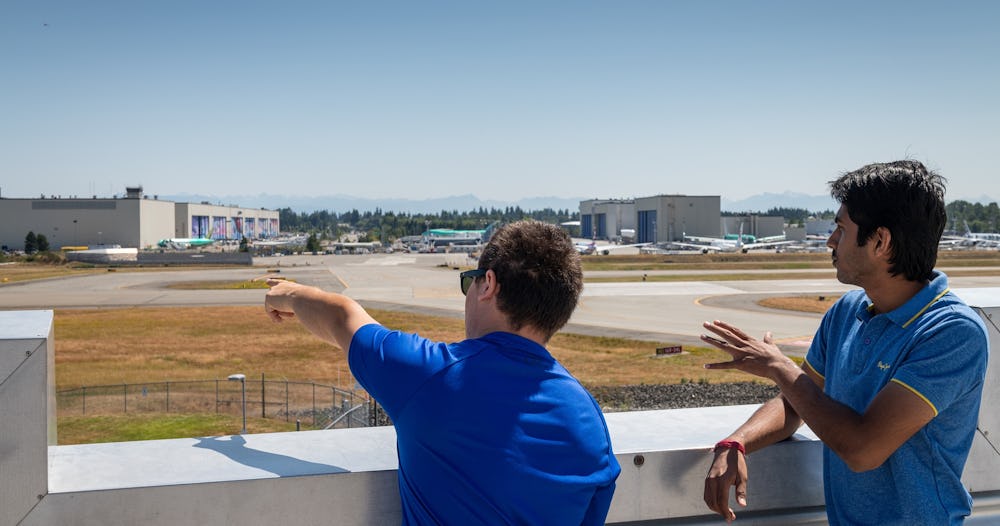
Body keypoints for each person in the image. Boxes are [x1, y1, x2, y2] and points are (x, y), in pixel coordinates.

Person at [265, 219, 620, 525]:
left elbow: (342, 317)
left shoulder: (432, 375)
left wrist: (291, 293)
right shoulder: (589, 420)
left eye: (470, 281)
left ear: (489, 285)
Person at [699, 160, 989, 525]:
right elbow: (797, 404)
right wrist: (736, 443)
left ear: (880, 241)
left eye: (840, 228)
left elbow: (863, 449)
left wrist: (778, 366)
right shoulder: (847, 310)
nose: (830, 241)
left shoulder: (951, 332)